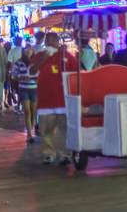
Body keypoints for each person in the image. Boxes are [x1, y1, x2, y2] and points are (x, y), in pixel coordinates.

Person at [29, 33, 77, 164]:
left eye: (52, 41)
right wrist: (41, 60)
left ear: (58, 41)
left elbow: (77, 74)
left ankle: (65, 154)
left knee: (64, 129)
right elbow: (31, 72)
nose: (49, 44)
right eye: (47, 41)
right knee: (46, 130)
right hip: (46, 100)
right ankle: (48, 153)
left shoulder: (66, 56)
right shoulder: (39, 56)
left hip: (63, 100)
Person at [11, 45, 38, 144]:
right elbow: (14, 76)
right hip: (23, 89)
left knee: (33, 112)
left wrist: (37, 80)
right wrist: (23, 78)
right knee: (27, 111)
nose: (27, 51)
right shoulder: (19, 62)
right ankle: (29, 135)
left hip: (34, 89)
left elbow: (39, 74)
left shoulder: (35, 62)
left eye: (29, 49)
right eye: (26, 50)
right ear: (22, 51)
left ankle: (30, 130)